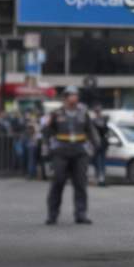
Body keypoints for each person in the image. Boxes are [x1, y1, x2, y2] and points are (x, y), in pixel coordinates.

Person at [43, 86, 98, 225]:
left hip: (79, 151)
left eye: (76, 95)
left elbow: (90, 130)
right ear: (66, 97)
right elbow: (47, 132)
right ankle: (52, 215)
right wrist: (46, 148)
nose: (75, 97)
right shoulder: (56, 114)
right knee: (58, 182)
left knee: (80, 183)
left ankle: (81, 214)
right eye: (72, 95)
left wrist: (96, 144)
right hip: (61, 151)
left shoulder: (83, 113)